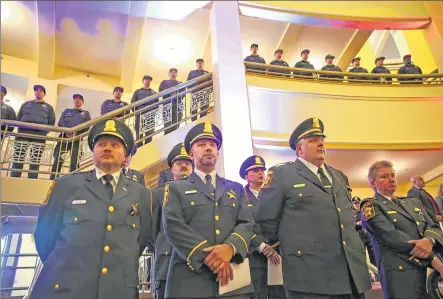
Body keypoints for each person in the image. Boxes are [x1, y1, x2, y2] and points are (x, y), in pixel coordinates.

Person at [31, 118, 153, 299]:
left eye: (115, 145)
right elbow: (45, 236)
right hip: (66, 289)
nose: (107, 148)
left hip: (117, 291)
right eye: (101, 144)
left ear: (125, 155)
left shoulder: (141, 194)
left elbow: (140, 240)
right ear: (93, 151)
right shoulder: (65, 186)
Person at [256, 117, 371, 299]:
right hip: (309, 274)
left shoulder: (339, 176)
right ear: (299, 149)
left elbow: (346, 217)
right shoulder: (282, 174)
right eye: (313, 141)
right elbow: (266, 220)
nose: (321, 144)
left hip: (350, 272)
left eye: (322, 140)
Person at [162, 122, 255, 299]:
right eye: (202, 145)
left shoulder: (235, 188)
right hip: (191, 279)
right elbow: (173, 226)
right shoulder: (175, 188)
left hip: (232, 279)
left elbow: (247, 222)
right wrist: (213, 258)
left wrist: (230, 247)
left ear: (218, 153)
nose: (208, 149)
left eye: (212, 145)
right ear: (191, 153)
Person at [361, 160, 443, 299]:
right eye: (384, 176)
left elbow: (433, 226)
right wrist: (433, 259)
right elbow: (393, 238)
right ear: (373, 184)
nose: (391, 179)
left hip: (428, 274)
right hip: (400, 275)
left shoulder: (412, 202)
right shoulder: (371, 206)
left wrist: (429, 240)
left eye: (392, 175)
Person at [239, 156, 285, 299]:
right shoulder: (241, 197)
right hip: (255, 255)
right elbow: (242, 224)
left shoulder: (275, 195)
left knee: (279, 293)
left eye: (262, 170)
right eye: (255, 171)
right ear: (247, 176)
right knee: (258, 293)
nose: (261, 173)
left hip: (277, 252)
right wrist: (261, 246)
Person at [152, 142, 193, 299]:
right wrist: (162, 246)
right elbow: (151, 231)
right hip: (165, 265)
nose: (183, 166)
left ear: (193, 167)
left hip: (194, 266)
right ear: (171, 169)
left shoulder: (202, 193)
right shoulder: (158, 195)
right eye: (179, 163)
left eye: (187, 162)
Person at [11, 85, 56, 179]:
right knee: (18, 157)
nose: (38, 92)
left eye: (40, 91)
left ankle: (32, 179)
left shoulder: (49, 108)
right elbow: (18, 118)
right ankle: (14, 178)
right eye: (36, 90)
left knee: (35, 159)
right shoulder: (26, 104)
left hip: (39, 136)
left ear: (44, 94)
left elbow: (51, 122)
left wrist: (43, 132)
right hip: (23, 134)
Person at [50, 94, 91, 180]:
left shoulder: (86, 113)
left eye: (79, 99)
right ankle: (53, 179)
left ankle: (73, 180)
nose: (77, 100)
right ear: (73, 101)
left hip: (77, 139)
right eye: (75, 99)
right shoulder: (66, 111)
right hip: (64, 138)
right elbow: (60, 123)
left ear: (83, 102)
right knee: (58, 160)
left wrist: (77, 133)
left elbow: (88, 126)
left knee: (75, 162)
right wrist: (68, 132)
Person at [131, 75, 157, 147]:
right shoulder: (138, 91)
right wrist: (136, 111)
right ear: (143, 81)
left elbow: (157, 103)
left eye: (149, 80)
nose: (148, 81)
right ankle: (139, 146)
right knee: (139, 131)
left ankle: (147, 146)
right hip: (140, 113)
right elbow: (133, 102)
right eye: (146, 79)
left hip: (150, 113)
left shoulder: (154, 92)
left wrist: (153, 111)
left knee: (150, 131)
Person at [351, 197, 376, 267]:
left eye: (358, 203)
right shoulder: (350, 213)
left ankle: (377, 274)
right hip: (359, 237)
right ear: (352, 204)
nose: (357, 205)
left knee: (374, 255)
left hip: (369, 236)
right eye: (355, 203)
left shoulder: (365, 211)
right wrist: (357, 223)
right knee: (362, 256)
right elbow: (348, 225)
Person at [159, 68, 183, 135]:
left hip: (178, 106)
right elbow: (161, 91)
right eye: (172, 72)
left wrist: (177, 94)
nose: (173, 73)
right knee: (167, 126)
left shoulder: (180, 83)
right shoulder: (164, 82)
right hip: (167, 106)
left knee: (176, 125)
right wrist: (171, 92)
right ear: (169, 74)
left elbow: (184, 93)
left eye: (175, 72)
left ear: (177, 74)